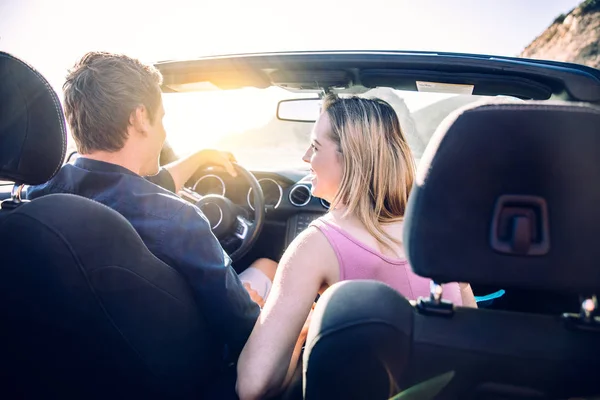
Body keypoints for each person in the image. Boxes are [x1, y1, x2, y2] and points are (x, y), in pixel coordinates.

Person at [26, 51, 276, 362]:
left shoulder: (33, 199)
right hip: (192, 368)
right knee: (268, 266)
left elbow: (128, 185)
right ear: (140, 117)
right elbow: (244, 329)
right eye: (162, 120)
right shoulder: (179, 221)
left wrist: (202, 156)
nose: (165, 132)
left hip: (75, 364)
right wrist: (257, 309)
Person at [236, 94, 476, 400]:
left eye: (316, 146)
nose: (305, 157)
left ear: (349, 159)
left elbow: (252, 386)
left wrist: (306, 326)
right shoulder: (443, 232)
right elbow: (472, 335)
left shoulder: (317, 244)